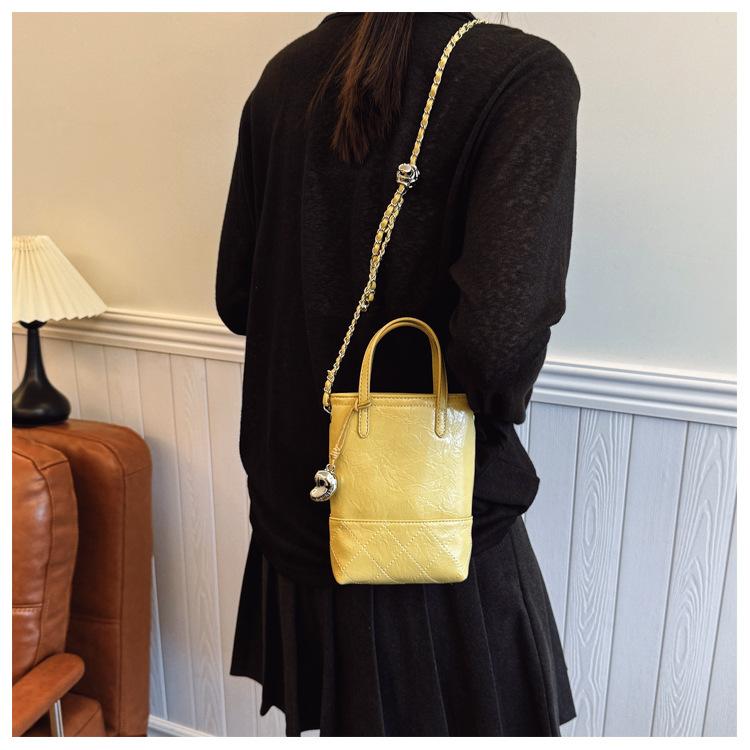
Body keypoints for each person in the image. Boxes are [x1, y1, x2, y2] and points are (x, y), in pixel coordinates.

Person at [215, 11, 580, 737]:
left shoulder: (284, 75)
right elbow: (497, 344)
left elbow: (237, 298)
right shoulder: (520, 74)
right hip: (429, 528)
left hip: (299, 511)